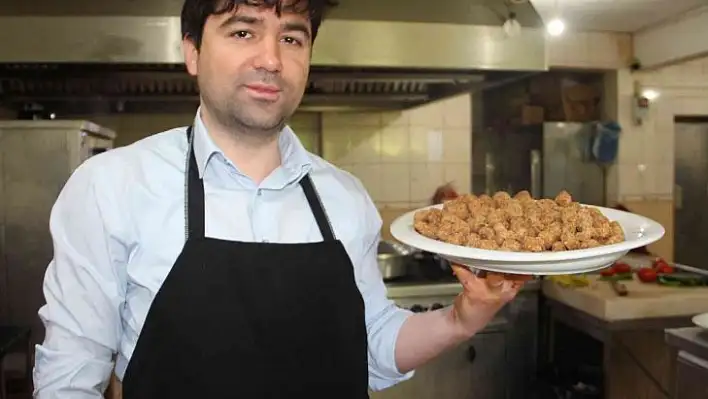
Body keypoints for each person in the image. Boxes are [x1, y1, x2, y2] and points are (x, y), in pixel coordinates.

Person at [32, 1, 529, 397]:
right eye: (242, 31)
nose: (271, 59)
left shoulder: (344, 198)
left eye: (291, 37)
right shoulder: (110, 187)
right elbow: (69, 375)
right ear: (192, 51)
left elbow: (373, 347)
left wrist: (463, 318)